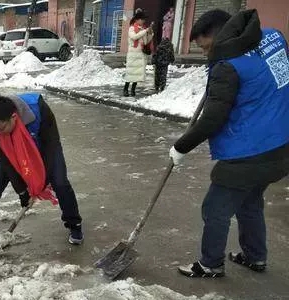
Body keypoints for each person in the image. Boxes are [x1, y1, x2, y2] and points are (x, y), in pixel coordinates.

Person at [169, 9, 289, 278]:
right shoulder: (274, 39)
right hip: (281, 146)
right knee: (250, 201)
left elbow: (212, 119)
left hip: (249, 152)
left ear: (218, 34)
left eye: (205, 47)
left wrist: (181, 147)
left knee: (215, 208)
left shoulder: (227, 67)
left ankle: (210, 264)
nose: (206, 54)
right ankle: (255, 257)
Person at [0, 94, 83, 245]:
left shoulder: (37, 110)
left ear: (14, 117)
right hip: (11, 148)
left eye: (1, 128)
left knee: (59, 181)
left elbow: (50, 146)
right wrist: (22, 191)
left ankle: (74, 224)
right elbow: (6, 161)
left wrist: (44, 179)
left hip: (43, 143)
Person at [124, 9, 154, 97]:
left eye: (144, 20)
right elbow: (134, 37)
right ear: (137, 19)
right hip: (133, 55)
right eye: (142, 19)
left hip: (140, 54)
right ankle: (126, 89)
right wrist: (145, 31)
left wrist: (150, 34)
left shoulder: (143, 29)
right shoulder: (132, 28)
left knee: (137, 74)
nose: (143, 21)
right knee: (130, 73)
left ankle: (133, 89)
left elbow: (145, 42)